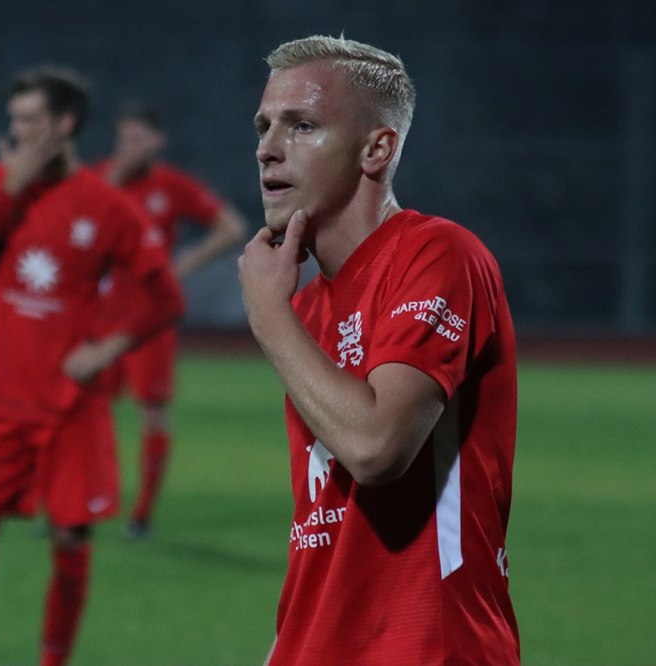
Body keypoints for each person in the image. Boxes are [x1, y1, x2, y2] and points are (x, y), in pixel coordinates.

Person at [238, 35, 520, 665]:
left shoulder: (439, 254)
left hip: (425, 646)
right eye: (263, 126)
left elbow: (376, 448)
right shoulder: (306, 309)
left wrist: (267, 316)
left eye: (302, 125)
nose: (267, 148)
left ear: (377, 149)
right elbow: (324, 523)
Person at [0, 65, 185, 666]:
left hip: (71, 409)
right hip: (0, 408)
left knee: (70, 544)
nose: (17, 130)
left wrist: (107, 349)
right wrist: (11, 186)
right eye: (13, 119)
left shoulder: (108, 207)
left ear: (65, 124)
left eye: (30, 119)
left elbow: (167, 297)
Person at [95, 103, 247, 538]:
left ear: (156, 142)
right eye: (123, 138)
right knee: (85, 408)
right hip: (99, 313)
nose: (128, 146)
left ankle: (141, 514)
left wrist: (183, 266)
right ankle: (81, 502)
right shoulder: (100, 178)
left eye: (137, 138)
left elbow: (231, 227)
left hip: (150, 317)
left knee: (152, 411)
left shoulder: (171, 185)